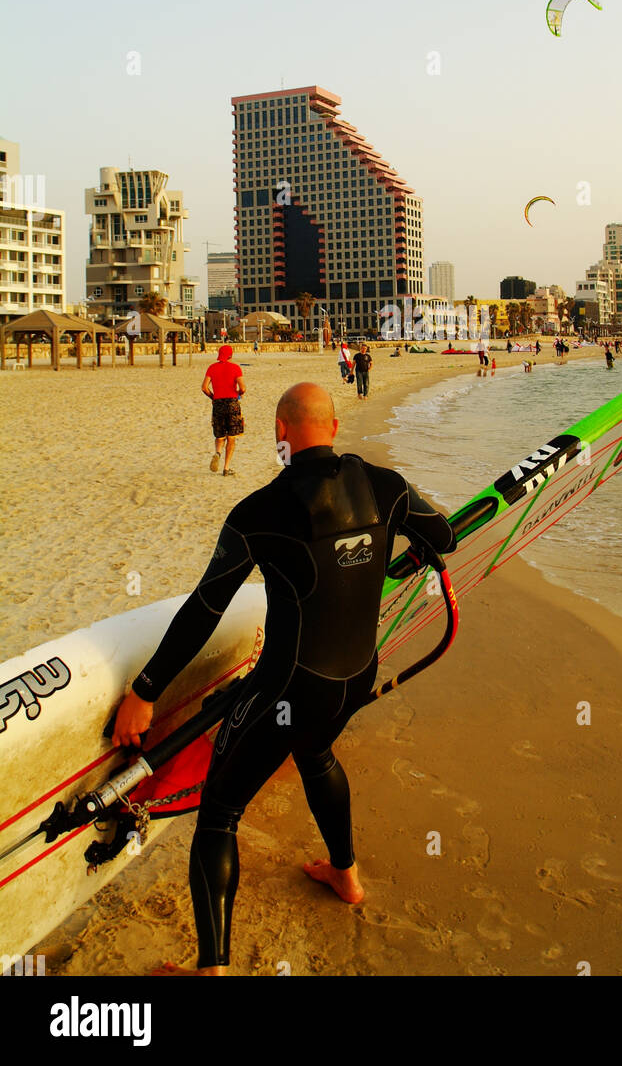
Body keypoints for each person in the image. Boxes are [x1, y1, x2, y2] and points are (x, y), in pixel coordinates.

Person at [112, 383, 456, 975]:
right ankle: (346, 877)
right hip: (355, 676)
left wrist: (145, 691)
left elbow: (205, 609)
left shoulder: (257, 513)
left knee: (219, 813)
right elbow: (443, 536)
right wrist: (400, 549)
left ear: (279, 432)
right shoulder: (387, 486)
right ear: (336, 425)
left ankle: (211, 972)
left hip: (289, 688)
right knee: (317, 753)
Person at [202, 344, 245, 476]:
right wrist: (238, 393)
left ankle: (218, 452)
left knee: (220, 435)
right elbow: (243, 388)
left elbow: (204, 387)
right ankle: (226, 468)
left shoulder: (212, 368)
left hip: (218, 404)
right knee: (231, 437)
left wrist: (213, 397)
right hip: (232, 403)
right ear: (231, 355)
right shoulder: (235, 368)